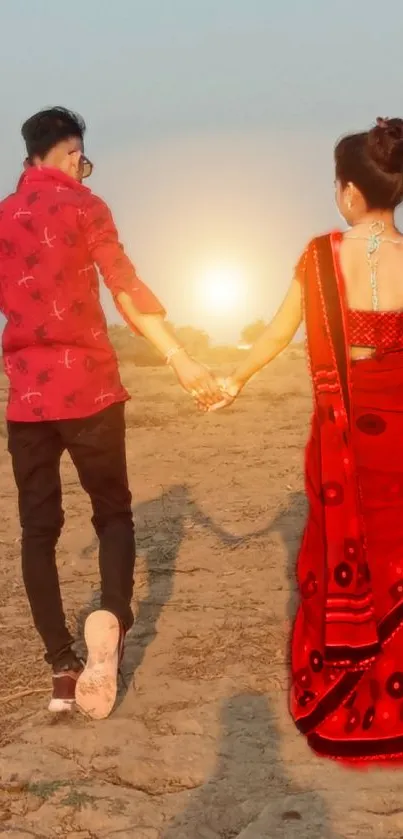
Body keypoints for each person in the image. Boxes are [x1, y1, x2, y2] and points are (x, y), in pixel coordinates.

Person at [0, 106, 222, 720]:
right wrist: (179, 358)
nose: (82, 167)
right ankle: (115, 618)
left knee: (38, 533)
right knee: (113, 514)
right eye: (79, 156)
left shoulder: (3, 219)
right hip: (90, 391)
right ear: (63, 153)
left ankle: (61, 668)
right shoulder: (84, 206)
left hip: (28, 402)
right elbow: (122, 284)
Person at [212, 117, 403, 762]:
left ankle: (346, 700)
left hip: (343, 436)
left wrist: (232, 379)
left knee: (342, 558)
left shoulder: (322, 257)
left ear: (349, 192)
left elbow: (274, 334)